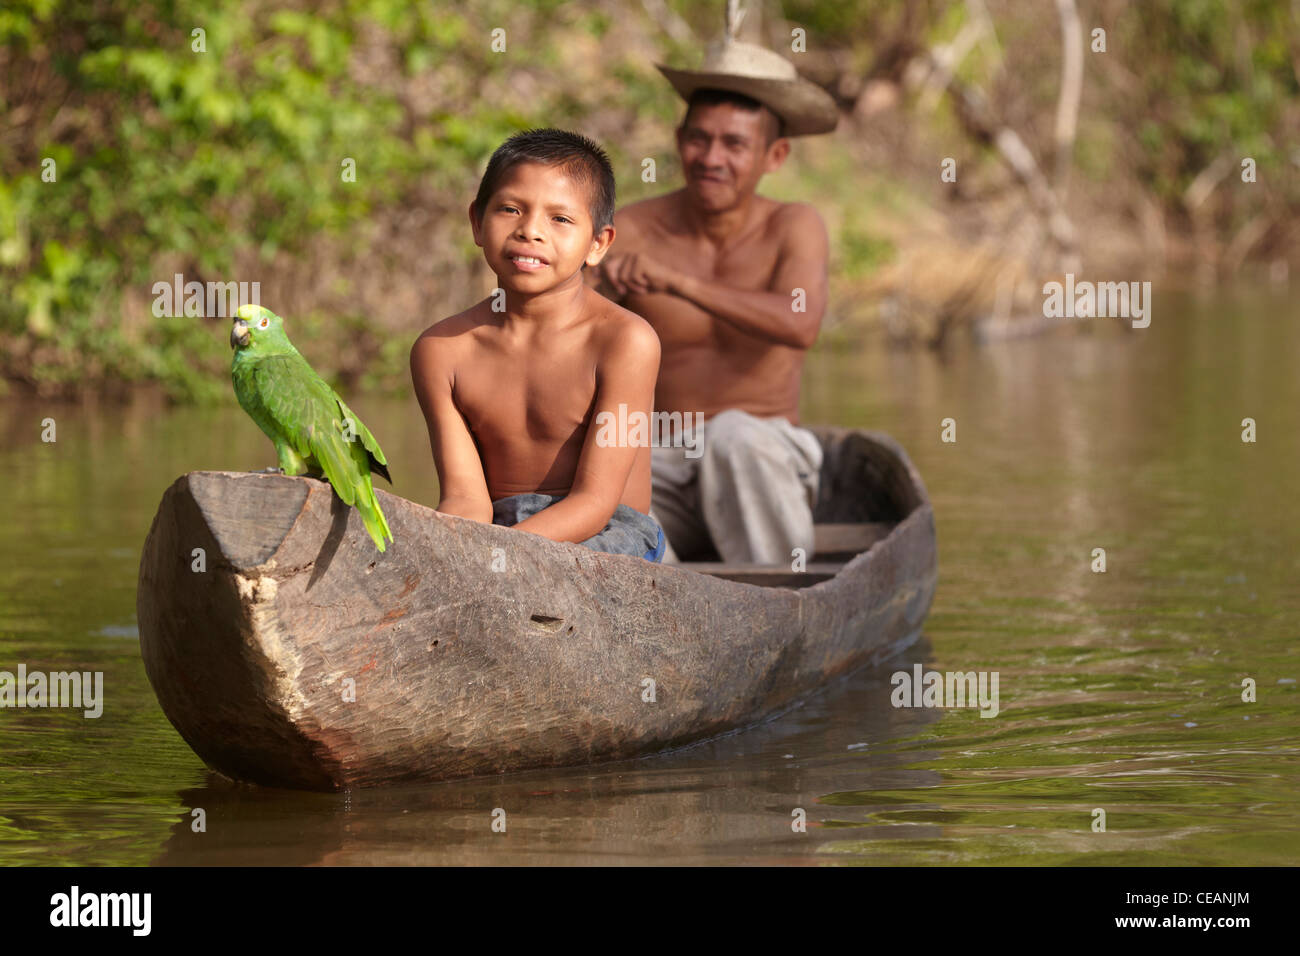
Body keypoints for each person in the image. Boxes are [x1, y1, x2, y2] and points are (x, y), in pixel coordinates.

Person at [588, 31, 840, 565]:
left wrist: (679, 283)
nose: (711, 158)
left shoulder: (795, 225)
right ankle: (664, 610)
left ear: (775, 155)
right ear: (679, 139)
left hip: (762, 454)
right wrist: (596, 294)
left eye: (734, 144)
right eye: (698, 139)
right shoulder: (631, 228)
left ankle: (780, 596)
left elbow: (801, 323)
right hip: (661, 456)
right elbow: (556, 332)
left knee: (733, 437)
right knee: (602, 467)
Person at [411, 128, 665, 561]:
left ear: (598, 244)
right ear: (477, 221)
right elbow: (465, 501)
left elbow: (596, 502)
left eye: (560, 219)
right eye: (510, 209)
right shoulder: (441, 351)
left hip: (607, 536)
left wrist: (504, 558)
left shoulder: (625, 341)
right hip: (497, 528)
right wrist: (460, 557)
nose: (530, 231)